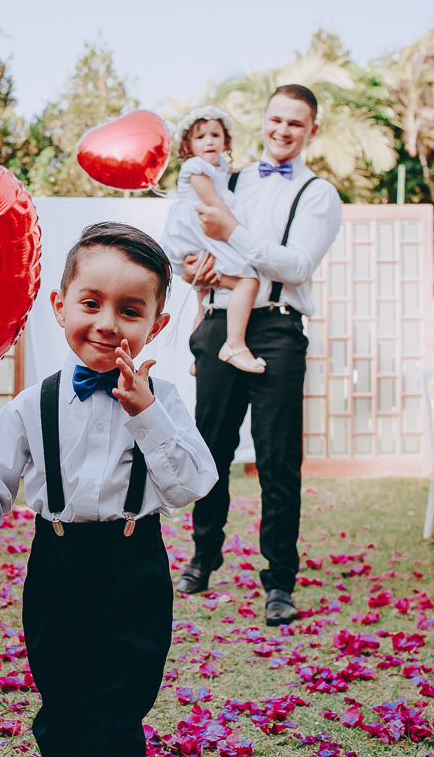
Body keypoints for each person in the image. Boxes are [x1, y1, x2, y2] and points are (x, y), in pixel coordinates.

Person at [0, 223, 217, 757]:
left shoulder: (164, 400)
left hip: (134, 562)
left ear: (155, 326)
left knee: (119, 701)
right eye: (91, 304)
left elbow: (191, 485)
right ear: (60, 305)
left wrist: (147, 415)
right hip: (57, 562)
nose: (107, 325)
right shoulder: (31, 403)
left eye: (130, 312)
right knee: (62, 697)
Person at [169, 84, 342, 627]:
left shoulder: (319, 194)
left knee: (277, 459)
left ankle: (280, 581)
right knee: (210, 449)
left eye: (295, 123)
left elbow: (295, 266)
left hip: (279, 331)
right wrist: (192, 267)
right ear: (263, 121)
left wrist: (235, 234)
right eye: (275, 120)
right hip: (220, 318)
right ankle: (202, 557)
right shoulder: (230, 176)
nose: (282, 131)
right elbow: (193, 240)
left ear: (311, 130)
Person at [161, 106, 264, 373]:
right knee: (248, 281)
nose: (209, 141)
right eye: (201, 137)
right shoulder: (195, 167)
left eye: (216, 135)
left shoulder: (219, 166)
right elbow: (213, 202)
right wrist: (238, 231)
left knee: (203, 299)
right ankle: (234, 343)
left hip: (201, 236)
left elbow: (227, 175)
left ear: (225, 141)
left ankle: (198, 356)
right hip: (198, 232)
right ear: (188, 144)